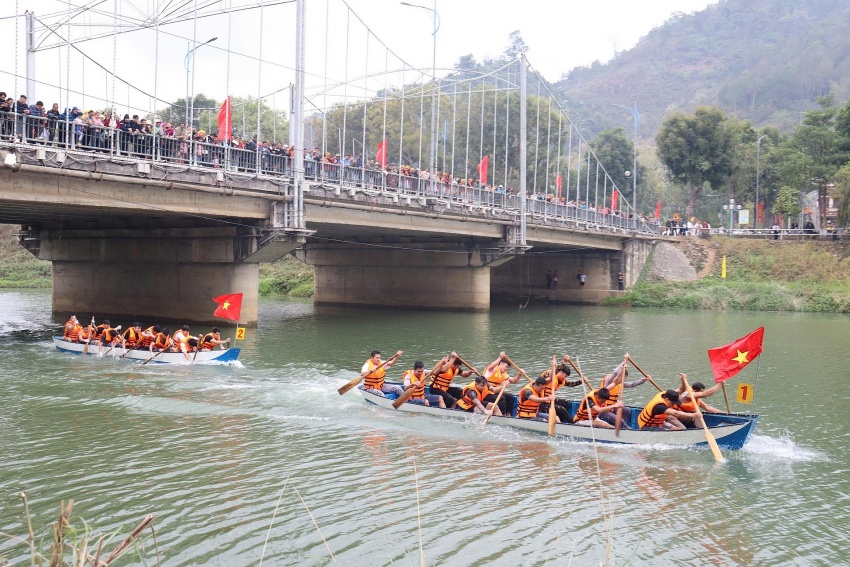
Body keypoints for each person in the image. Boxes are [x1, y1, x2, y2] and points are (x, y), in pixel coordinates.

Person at [596, 356, 648, 429]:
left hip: (611, 408)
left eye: (625, 379)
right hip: (602, 411)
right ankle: (627, 430)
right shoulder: (608, 382)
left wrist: (642, 380)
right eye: (622, 378)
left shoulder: (620, 384)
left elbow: (632, 384)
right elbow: (614, 373)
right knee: (618, 419)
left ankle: (621, 428)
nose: (623, 380)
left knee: (627, 411)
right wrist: (624, 363)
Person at [540, 356, 583, 423]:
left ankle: (561, 420)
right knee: (562, 409)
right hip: (541, 403)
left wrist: (581, 381)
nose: (565, 378)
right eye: (565, 376)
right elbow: (554, 372)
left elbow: (570, 384)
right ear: (560, 373)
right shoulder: (549, 375)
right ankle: (572, 423)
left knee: (566, 403)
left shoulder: (560, 380)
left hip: (549, 401)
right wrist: (563, 363)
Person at [482, 352, 522, 417]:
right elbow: (491, 366)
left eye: (508, 367)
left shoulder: (504, 374)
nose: (506, 368)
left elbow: (514, 381)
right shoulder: (492, 369)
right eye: (506, 366)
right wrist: (500, 358)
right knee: (502, 398)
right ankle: (501, 415)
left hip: (495, 392)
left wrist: (519, 374)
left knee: (510, 397)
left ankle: (508, 414)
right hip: (486, 393)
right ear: (501, 363)